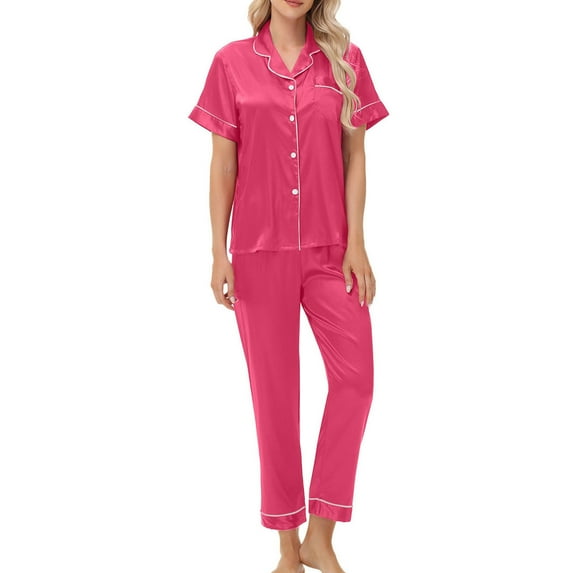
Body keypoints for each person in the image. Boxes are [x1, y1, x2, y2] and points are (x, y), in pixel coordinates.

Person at [188, 1, 389, 571]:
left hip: (332, 251)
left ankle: (320, 536)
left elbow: (355, 156)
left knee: (356, 381)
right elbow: (223, 163)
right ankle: (287, 548)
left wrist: (356, 242)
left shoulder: (346, 60)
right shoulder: (230, 63)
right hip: (258, 252)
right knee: (275, 400)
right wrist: (218, 250)